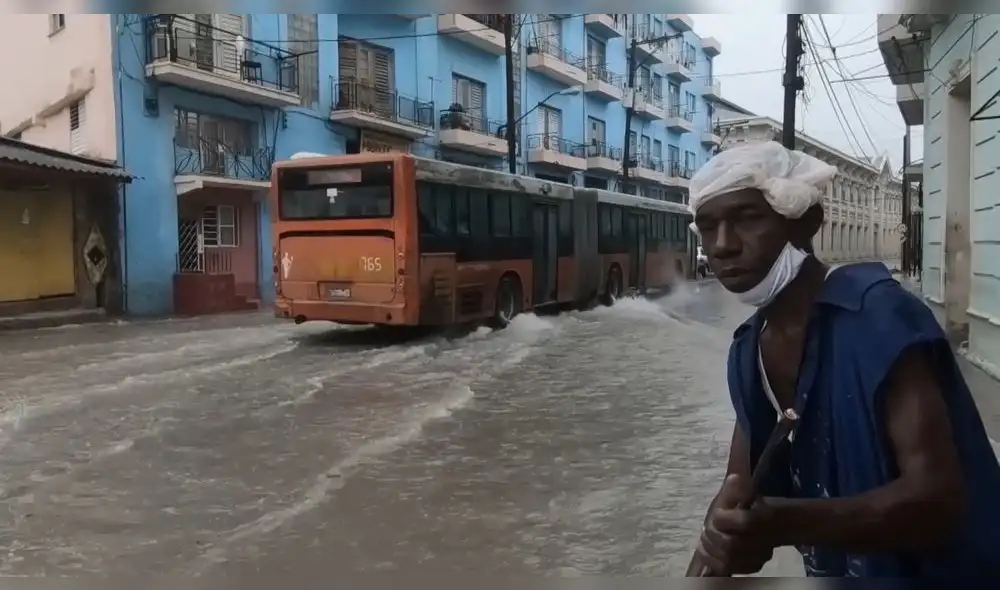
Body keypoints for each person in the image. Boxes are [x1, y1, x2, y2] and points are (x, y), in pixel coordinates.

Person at [685, 141, 1000, 578]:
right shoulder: (748, 352)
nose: (721, 246)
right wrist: (726, 540)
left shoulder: (877, 317)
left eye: (746, 218)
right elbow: (742, 495)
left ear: (807, 222)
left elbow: (938, 500)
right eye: (707, 226)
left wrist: (782, 522)